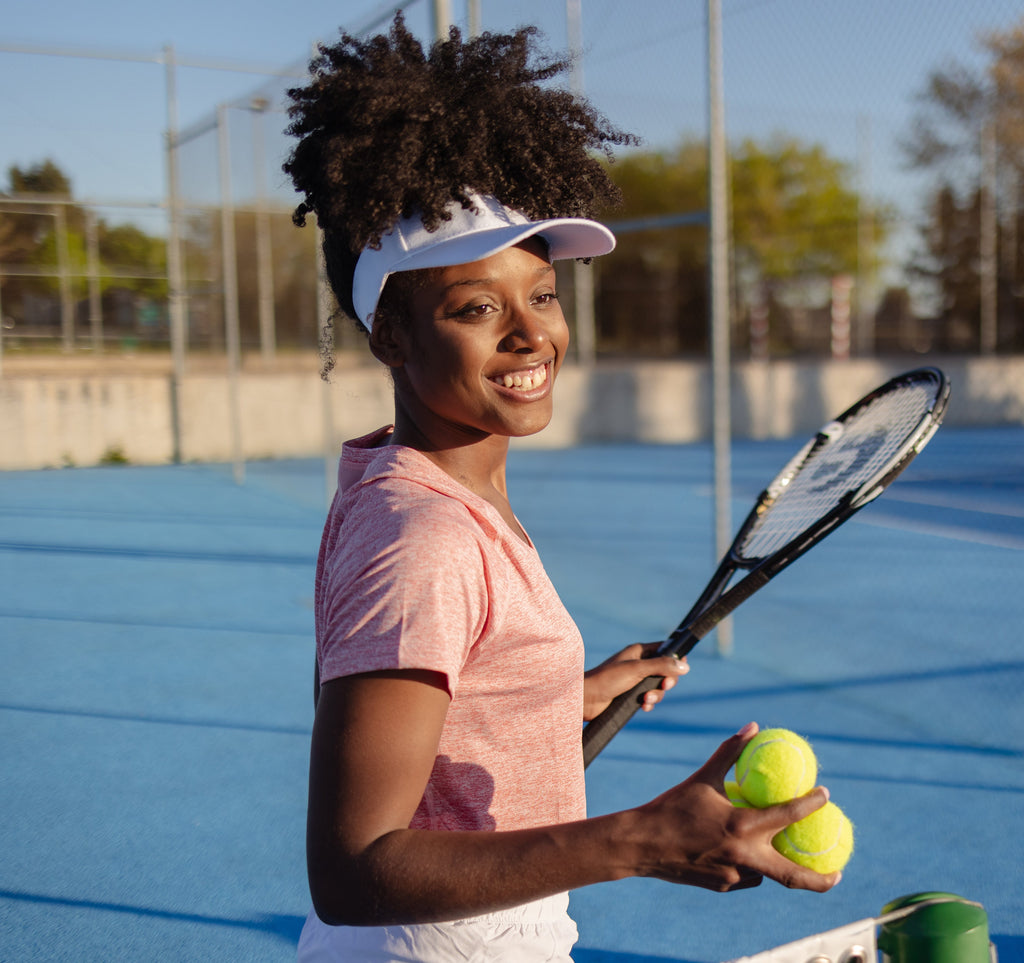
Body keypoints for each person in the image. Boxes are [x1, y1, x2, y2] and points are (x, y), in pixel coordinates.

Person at [283, 17, 838, 962]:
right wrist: (642, 839)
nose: (529, 334)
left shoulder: (424, 487)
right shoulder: (424, 537)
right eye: (473, 307)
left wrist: (557, 697)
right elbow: (352, 871)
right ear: (389, 337)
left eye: (541, 295)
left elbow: (451, 697)